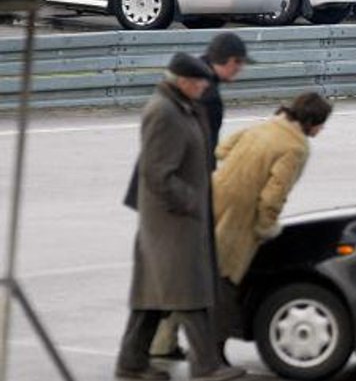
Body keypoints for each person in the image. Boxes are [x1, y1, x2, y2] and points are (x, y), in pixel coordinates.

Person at [115, 53, 245, 381]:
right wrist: (190, 201)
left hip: (173, 222)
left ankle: (131, 364)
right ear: (183, 81)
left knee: (155, 296)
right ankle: (206, 366)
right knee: (190, 295)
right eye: (200, 82)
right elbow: (157, 172)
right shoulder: (164, 113)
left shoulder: (181, 108)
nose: (204, 87)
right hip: (171, 222)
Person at [142, 34, 252, 362]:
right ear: (230, 61)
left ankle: (158, 345)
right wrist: (197, 196)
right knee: (187, 273)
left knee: (168, 274)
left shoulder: (190, 85)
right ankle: (201, 359)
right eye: (240, 64)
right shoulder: (206, 95)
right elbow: (200, 149)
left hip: (169, 195)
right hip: (178, 196)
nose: (241, 71)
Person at [212, 93, 332, 347]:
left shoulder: (264, 126)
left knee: (192, 274)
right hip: (240, 216)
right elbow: (272, 196)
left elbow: (221, 150)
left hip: (212, 201)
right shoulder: (296, 147)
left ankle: (162, 343)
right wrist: (266, 228)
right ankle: (212, 353)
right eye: (321, 123)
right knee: (225, 282)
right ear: (311, 121)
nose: (322, 129)